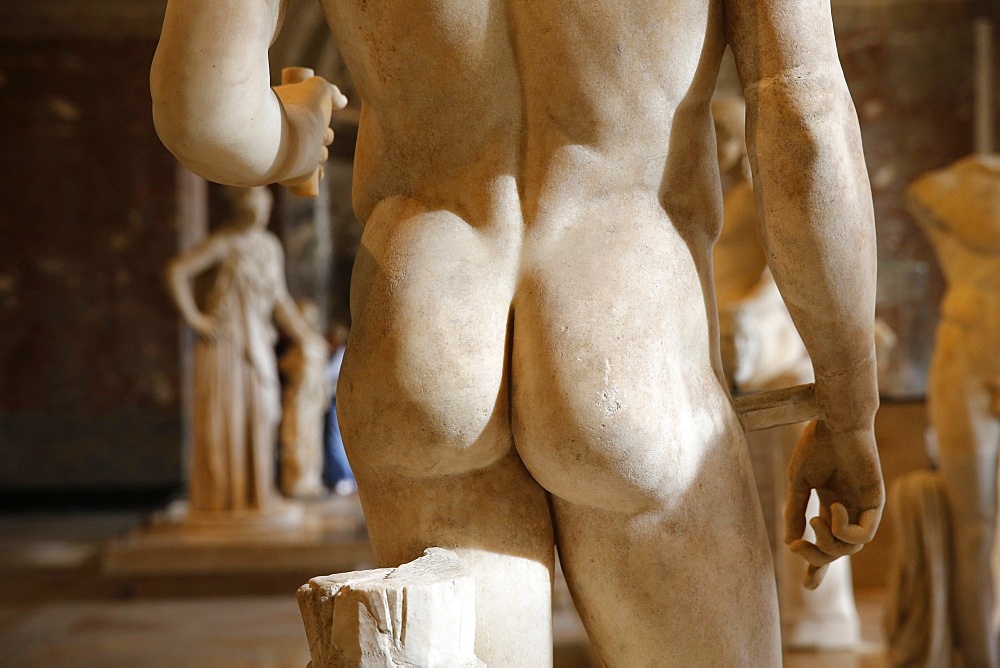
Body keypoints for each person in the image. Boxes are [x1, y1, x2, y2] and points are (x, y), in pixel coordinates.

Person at [151, 2, 884, 664]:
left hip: (426, 315)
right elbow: (808, 124)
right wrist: (850, 404)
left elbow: (201, 113)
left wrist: (298, 135)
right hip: (627, 330)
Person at [167, 186, 321, 518]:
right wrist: (197, 320)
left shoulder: (269, 247)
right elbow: (177, 271)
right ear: (240, 207)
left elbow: (280, 301)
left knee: (264, 412)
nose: (260, 209)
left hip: (257, 344)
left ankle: (258, 495)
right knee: (229, 418)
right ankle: (226, 501)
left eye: (264, 202)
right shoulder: (225, 243)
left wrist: (307, 336)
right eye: (253, 203)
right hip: (225, 346)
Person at [905, 156, 1000, 667]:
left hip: (971, 357)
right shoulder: (945, 189)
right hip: (964, 363)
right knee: (974, 526)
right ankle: (982, 657)